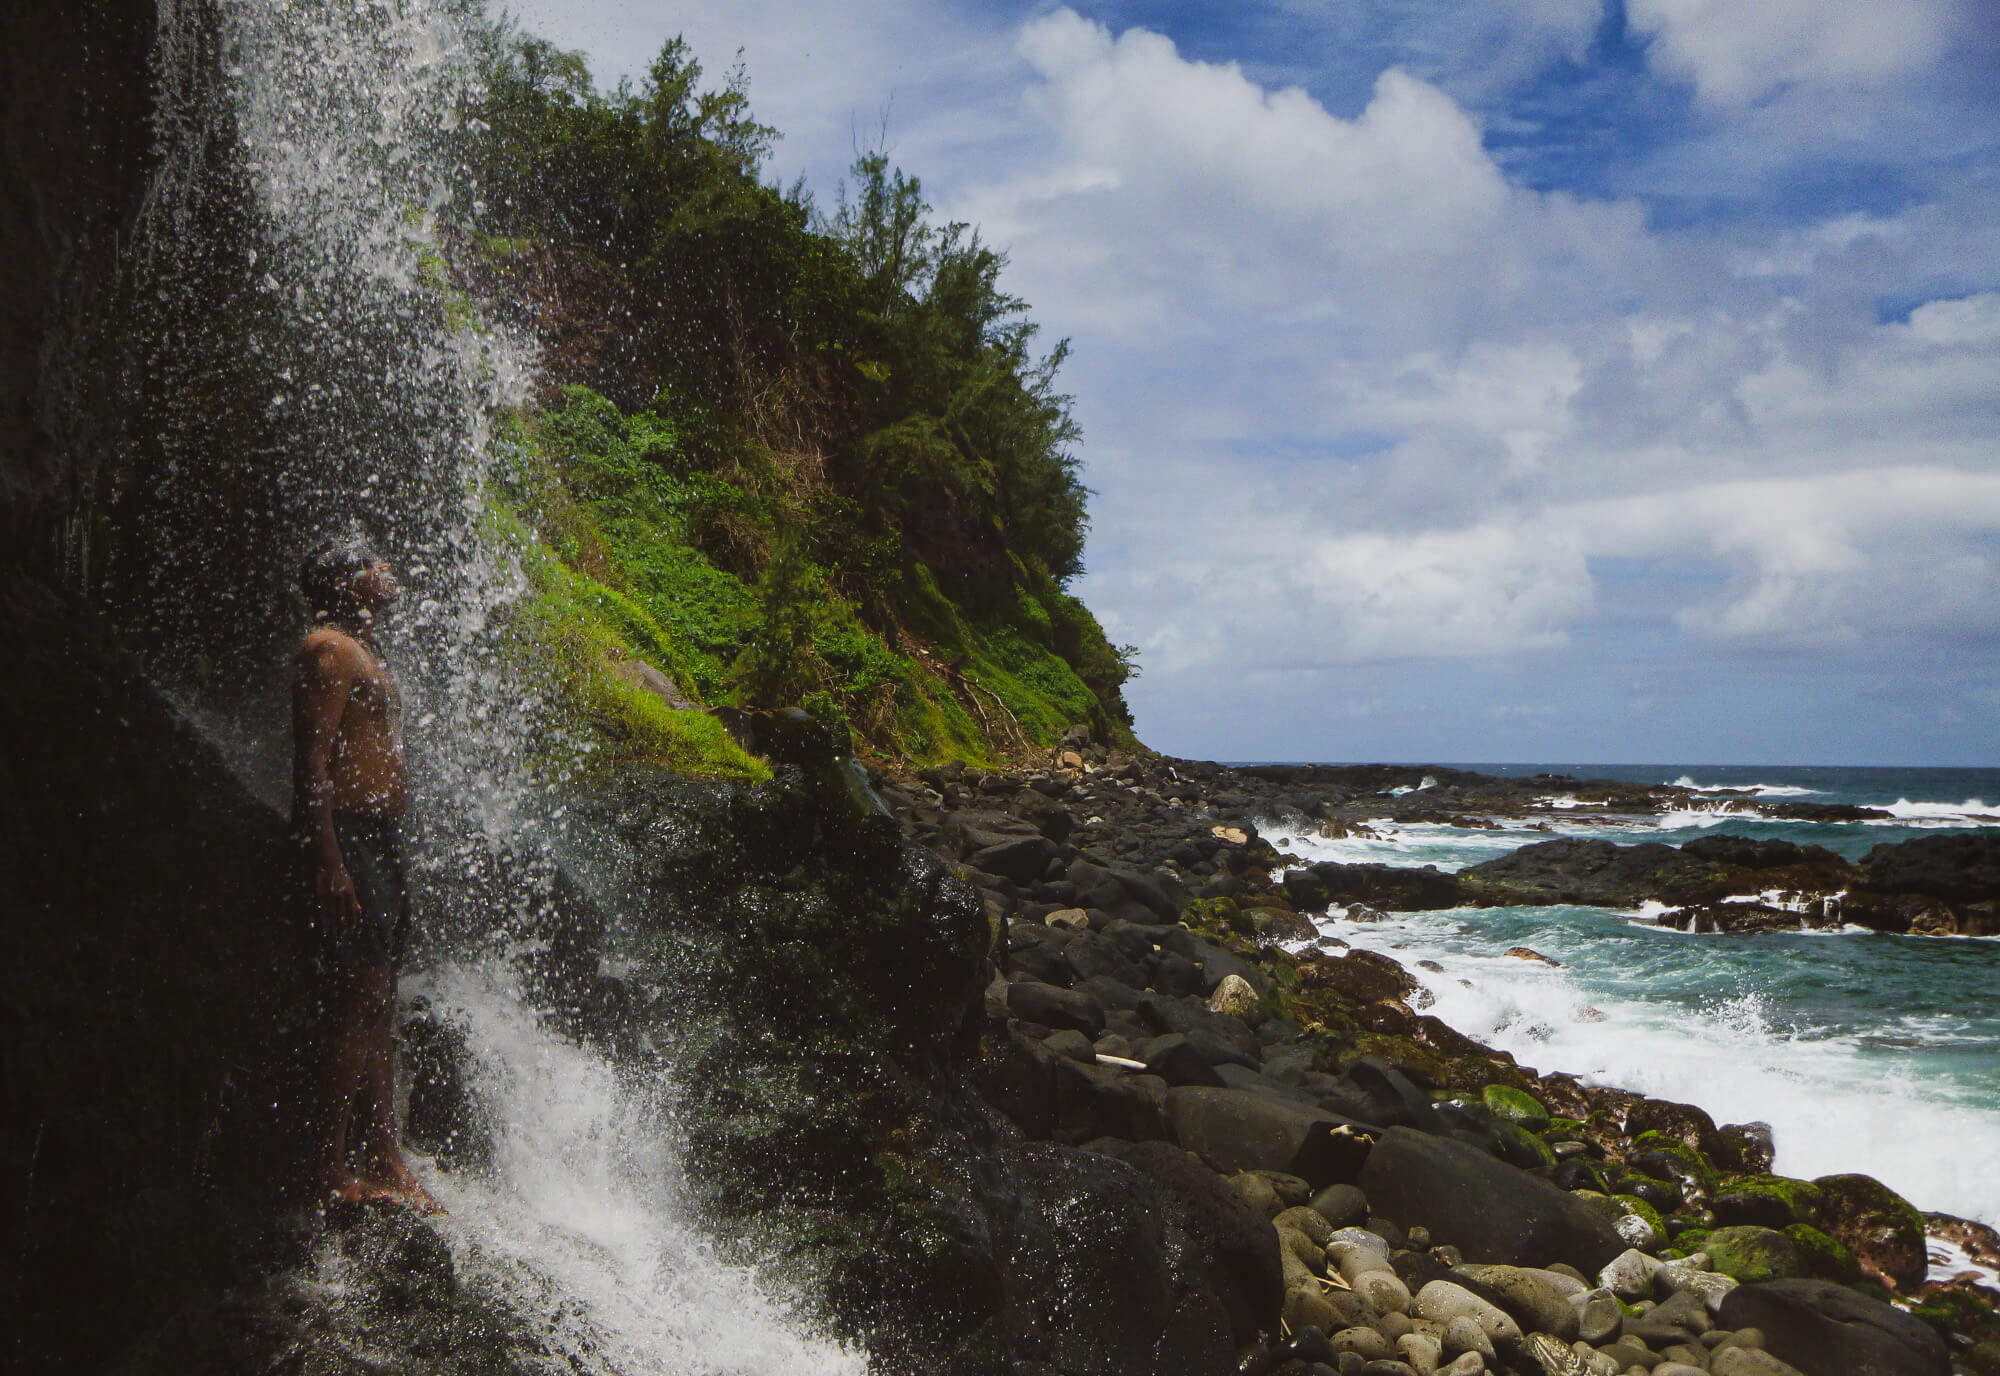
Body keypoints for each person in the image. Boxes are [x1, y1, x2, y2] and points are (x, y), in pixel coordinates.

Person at [293, 540, 441, 1213]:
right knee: (362, 995)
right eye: (373, 564)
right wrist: (330, 861)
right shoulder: (330, 649)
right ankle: (328, 1163)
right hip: (350, 837)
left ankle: (383, 1153)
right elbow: (313, 761)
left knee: (380, 996)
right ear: (347, 582)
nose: (388, 571)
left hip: (379, 837)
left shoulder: (363, 650)